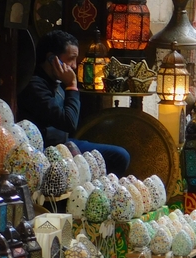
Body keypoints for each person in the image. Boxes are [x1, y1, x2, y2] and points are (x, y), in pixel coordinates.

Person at [17, 30, 130, 175]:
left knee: (120, 155)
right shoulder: (34, 86)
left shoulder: (57, 81)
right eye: (71, 59)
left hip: (66, 143)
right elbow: (68, 122)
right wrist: (71, 85)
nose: (74, 66)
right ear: (52, 59)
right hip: (48, 150)